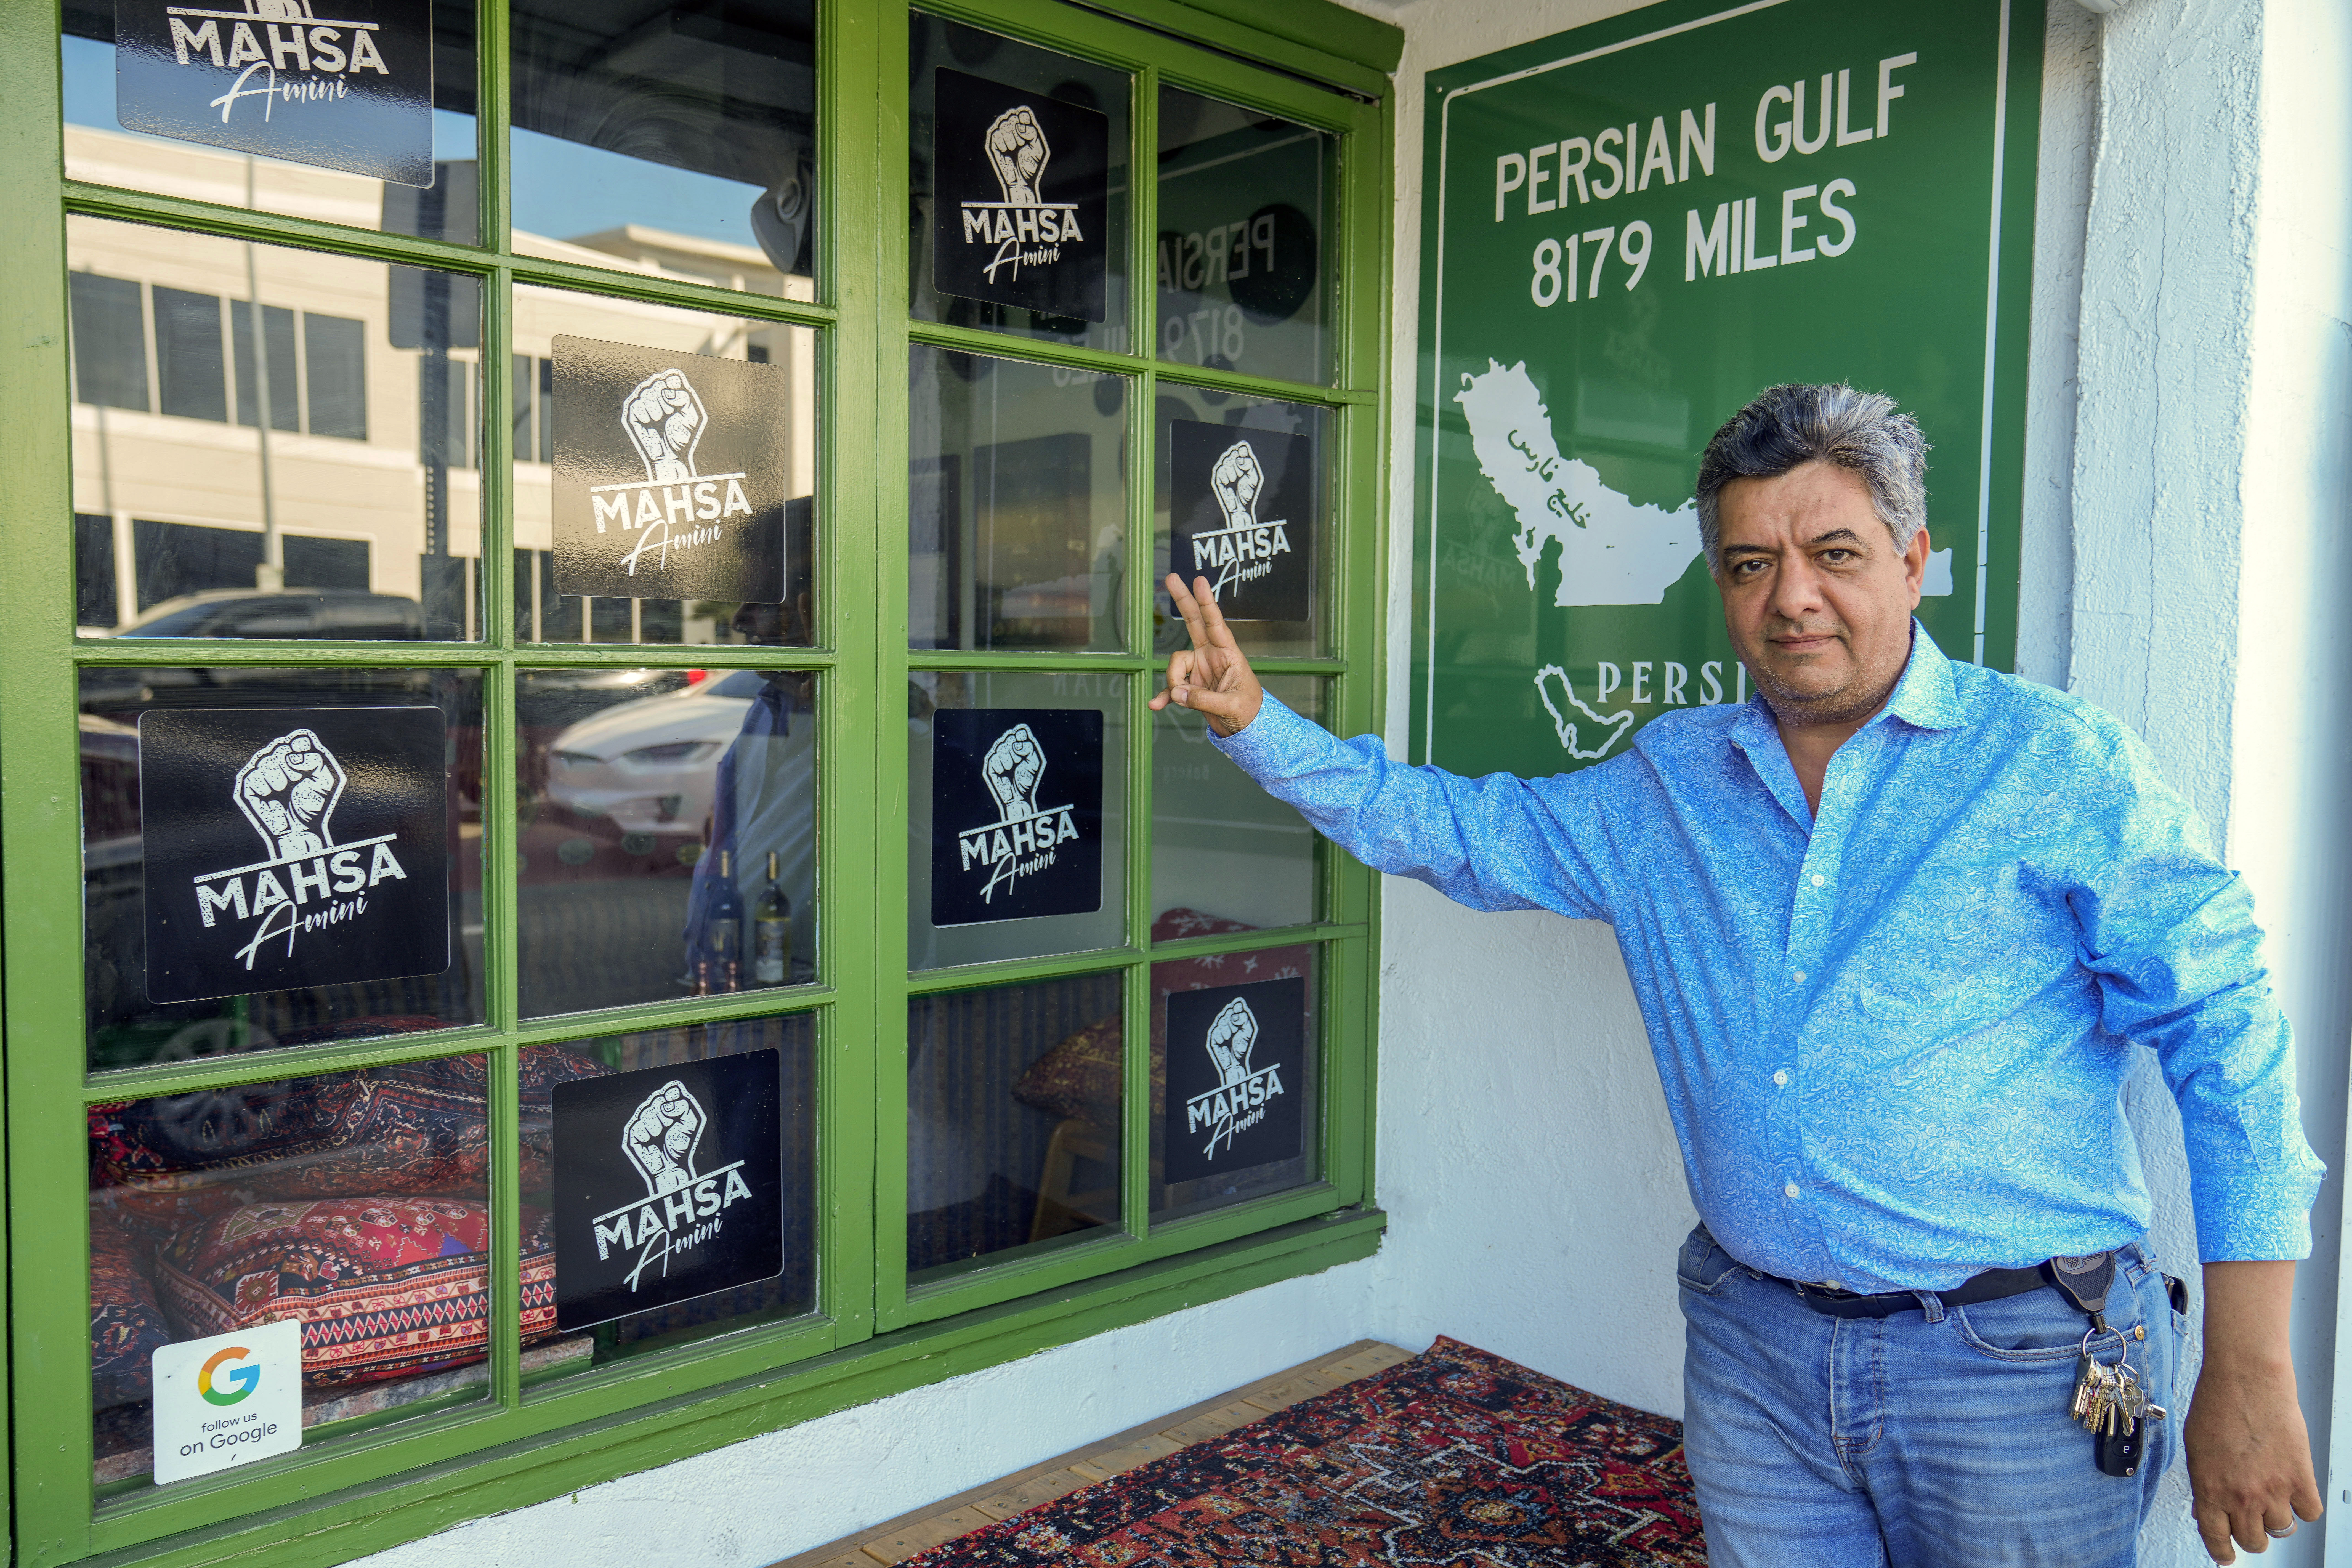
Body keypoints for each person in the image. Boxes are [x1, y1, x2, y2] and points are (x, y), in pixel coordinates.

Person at [1150, 383, 2327, 1567]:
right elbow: (1459, 827)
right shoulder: (1668, 782)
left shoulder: (2054, 763)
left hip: (2014, 1365)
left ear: (1912, 561)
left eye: (1834, 553)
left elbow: (2227, 1039)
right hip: (1755, 1353)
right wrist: (1260, 725)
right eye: (1750, 563)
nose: (1791, 597)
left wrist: (2251, 1363)